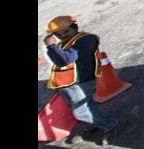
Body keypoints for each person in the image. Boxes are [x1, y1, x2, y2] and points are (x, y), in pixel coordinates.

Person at [43, 16, 118, 145]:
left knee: (81, 111)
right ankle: (93, 122)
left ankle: (109, 125)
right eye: (58, 34)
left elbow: (65, 60)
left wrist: (51, 46)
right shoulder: (65, 42)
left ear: (74, 27)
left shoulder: (85, 40)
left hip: (81, 83)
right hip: (67, 83)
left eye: (65, 31)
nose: (62, 35)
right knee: (84, 107)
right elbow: (58, 62)